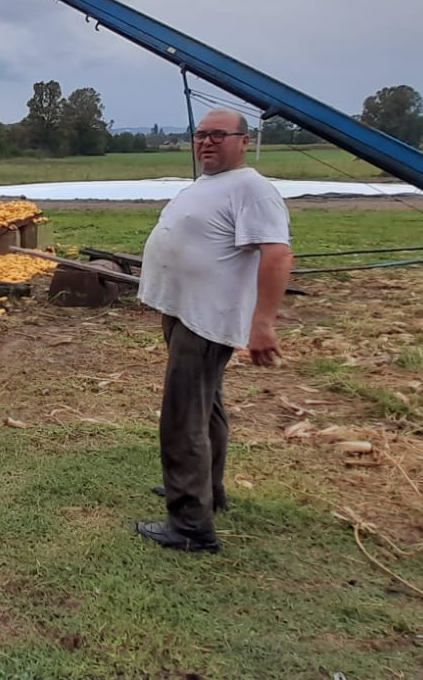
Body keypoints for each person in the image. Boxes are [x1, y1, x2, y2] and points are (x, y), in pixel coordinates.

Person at [134, 108, 294, 553]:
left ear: (243, 141)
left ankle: (190, 525)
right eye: (201, 135)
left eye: (218, 135)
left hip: (206, 319)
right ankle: (208, 490)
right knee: (206, 408)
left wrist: (262, 324)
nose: (206, 142)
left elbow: (277, 256)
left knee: (182, 418)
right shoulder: (212, 183)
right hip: (185, 311)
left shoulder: (253, 188)